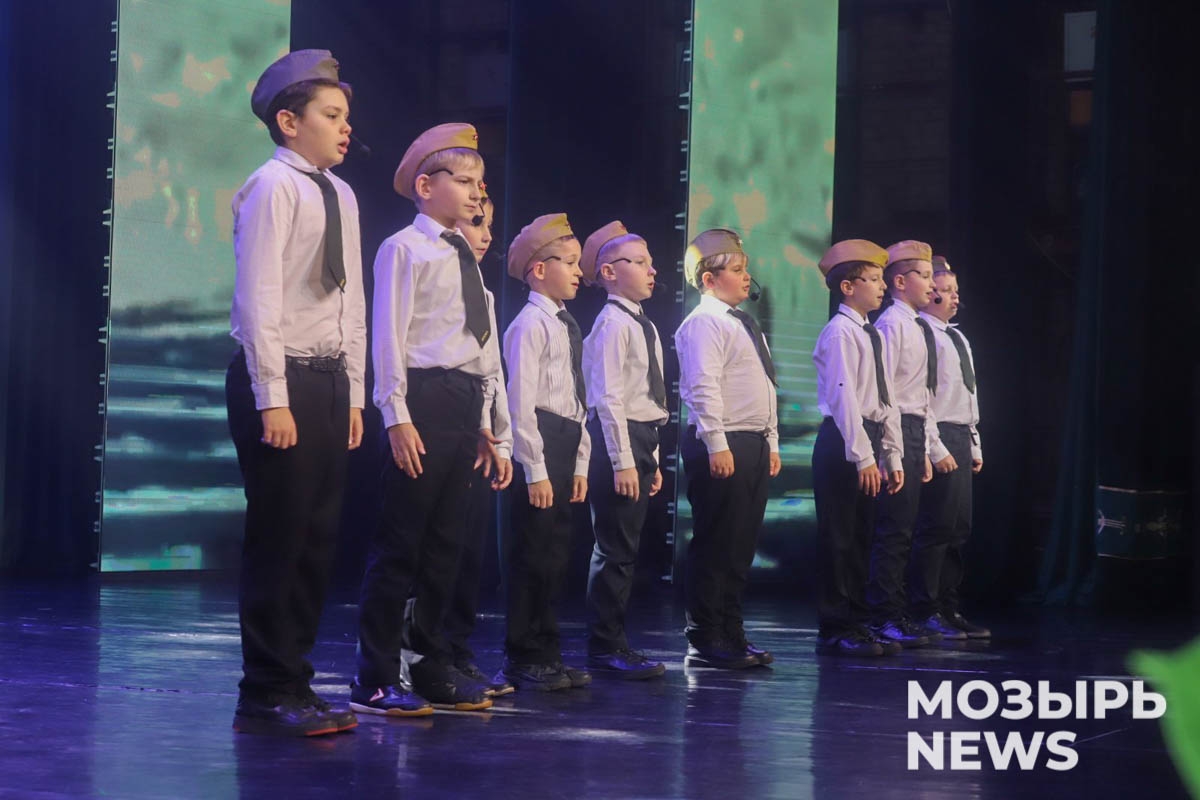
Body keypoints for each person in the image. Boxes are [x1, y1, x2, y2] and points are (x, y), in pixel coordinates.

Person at [226, 49, 366, 735]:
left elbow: (352, 301)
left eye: (345, 116)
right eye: (330, 115)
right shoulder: (271, 186)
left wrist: (356, 392)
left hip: (330, 380)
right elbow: (259, 298)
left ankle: (296, 681)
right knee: (279, 537)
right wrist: (271, 396)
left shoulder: (342, 193)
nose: (345, 127)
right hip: (280, 377)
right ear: (289, 122)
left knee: (317, 539)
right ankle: (265, 690)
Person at [353, 123, 509, 714]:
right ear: (425, 186)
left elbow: (479, 347)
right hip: (423, 398)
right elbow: (388, 336)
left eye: (480, 184)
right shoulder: (404, 248)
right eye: (464, 182)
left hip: (464, 402)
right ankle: (374, 675)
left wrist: (487, 425)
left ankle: (428, 663)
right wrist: (396, 414)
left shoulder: (463, 256)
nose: (475, 194)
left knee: (447, 544)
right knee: (402, 544)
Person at [675, 228, 781, 669]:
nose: (746, 276)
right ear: (708, 279)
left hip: (750, 440)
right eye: (736, 269)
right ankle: (705, 635)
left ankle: (731, 630)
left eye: (745, 268)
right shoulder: (704, 322)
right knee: (717, 543)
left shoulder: (742, 322)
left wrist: (771, 440)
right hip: (723, 441)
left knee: (740, 545)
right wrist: (717, 444)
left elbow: (765, 387)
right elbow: (702, 387)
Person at [500, 213, 593, 691]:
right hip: (539, 440)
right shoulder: (529, 325)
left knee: (555, 555)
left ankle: (547, 651)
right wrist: (534, 468)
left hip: (565, 438)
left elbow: (577, 398)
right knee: (533, 552)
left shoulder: (564, 324)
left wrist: (580, 461)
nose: (579, 272)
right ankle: (523, 655)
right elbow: (519, 402)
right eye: (570, 263)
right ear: (539, 269)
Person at [578, 220, 669, 680]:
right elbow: (608, 398)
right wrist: (623, 460)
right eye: (640, 262)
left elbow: (646, 396)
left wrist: (651, 458)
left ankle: (615, 640)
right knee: (614, 548)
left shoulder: (641, 323)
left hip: (641, 437)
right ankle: (605, 645)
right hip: (621, 437)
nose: (652, 271)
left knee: (626, 548)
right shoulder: (613, 323)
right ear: (610, 272)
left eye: (651, 262)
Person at [810, 239, 904, 657]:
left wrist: (890, 452)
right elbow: (843, 395)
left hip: (867, 434)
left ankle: (859, 620)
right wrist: (863, 455)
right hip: (844, 439)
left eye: (882, 279)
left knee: (862, 535)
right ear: (848, 287)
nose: (882, 287)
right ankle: (836, 626)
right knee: (839, 537)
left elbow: (886, 397)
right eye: (873, 279)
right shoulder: (840, 332)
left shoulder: (870, 332)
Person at [910, 256, 990, 638]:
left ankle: (947, 606)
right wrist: (934, 446)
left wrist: (974, 443)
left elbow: (968, 396)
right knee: (935, 527)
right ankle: (924, 609)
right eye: (944, 290)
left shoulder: (957, 337)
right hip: (937, 434)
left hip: (960, 434)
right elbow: (921, 396)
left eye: (955, 291)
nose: (953, 297)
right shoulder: (922, 334)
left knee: (959, 528)